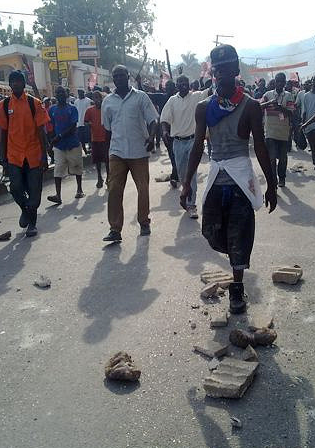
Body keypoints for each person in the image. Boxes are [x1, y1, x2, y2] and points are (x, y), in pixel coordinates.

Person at [180, 44, 277, 314]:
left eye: (226, 69)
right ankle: (236, 258)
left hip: (240, 180)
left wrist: (272, 184)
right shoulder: (204, 108)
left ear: (235, 70)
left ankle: (237, 288)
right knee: (211, 232)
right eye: (216, 69)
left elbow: (260, 146)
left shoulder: (250, 106)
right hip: (216, 177)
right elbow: (198, 146)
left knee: (239, 235)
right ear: (212, 72)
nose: (221, 74)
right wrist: (186, 182)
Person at [101, 65, 158, 242]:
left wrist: (151, 138)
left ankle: (144, 221)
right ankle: (115, 229)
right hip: (117, 152)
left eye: (122, 75)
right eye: (115, 76)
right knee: (114, 189)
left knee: (143, 188)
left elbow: (152, 120)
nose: (118, 78)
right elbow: (108, 129)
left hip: (139, 151)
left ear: (128, 76)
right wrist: (107, 154)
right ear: (113, 78)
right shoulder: (107, 101)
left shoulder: (141, 97)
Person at [0, 70, 51, 237]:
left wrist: (44, 155)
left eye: (19, 81)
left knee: (35, 191)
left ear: (23, 83)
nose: (16, 84)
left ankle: (32, 224)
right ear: (10, 84)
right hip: (14, 155)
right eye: (13, 82)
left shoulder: (35, 103)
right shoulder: (4, 105)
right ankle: (24, 210)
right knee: (15, 188)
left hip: (34, 154)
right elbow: (3, 133)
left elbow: (42, 131)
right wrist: (3, 157)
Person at [160, 75, 210, 218]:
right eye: (180, 83)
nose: (183, 85)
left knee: (192, 174)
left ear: (189, 84)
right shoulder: (172, 101)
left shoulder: (197, 96)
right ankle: (186, 194)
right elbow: (164, 119)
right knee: (182, 174)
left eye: (185, 82)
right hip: (178, 143)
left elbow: (211, 91)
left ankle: (191, 204)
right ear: (177, 85)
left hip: (193, 141)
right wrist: (164, 131)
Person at [47, 86, 84, 204]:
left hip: (72, 143)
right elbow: (51, 126)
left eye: (62, 93)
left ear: (66, 94)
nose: (60, 95)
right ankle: (58, 195)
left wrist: (59, 136)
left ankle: (79, 189)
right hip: (59, 146)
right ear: (55, 95)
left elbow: (73, 127)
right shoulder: (52, 110)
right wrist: (51, 140)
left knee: (77, 167)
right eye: (57, 93)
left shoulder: (72, 109)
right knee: (58, 169)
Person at [260, 72, 295, 187]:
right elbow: (259, 106)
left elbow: (291, 112)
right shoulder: (268, 95)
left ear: (284, 82)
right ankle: (273, 180)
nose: (279, 83)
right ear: (275, 81)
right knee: (272, 158)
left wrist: (281, 108)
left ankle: (282, 178)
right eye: (277, 81)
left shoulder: (289, 95)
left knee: (283, 158)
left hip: (283, 133)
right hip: (270, 132)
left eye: (281, 81)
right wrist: (269, 103)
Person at [85, 90, 110, 188]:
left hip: (105, 139)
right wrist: (90, 124)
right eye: (95, 98)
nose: (97, 100)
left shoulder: (106, 109)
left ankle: (108, 178)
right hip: (95, 139)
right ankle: (99, 177)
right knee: (97, 161)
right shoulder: (90, 110)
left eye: (99, 97)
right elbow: (86, 121)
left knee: (107, 160)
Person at [74, 89, 92, 155]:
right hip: (79, 123)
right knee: (81, 139)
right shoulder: (76, 102)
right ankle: (85, 151)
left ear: (83, 93)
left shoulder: (88, 101)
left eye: (81, 92)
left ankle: (91, 150)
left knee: (89, 137)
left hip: (86, 123)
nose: (80, 94)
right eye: (79, 93)